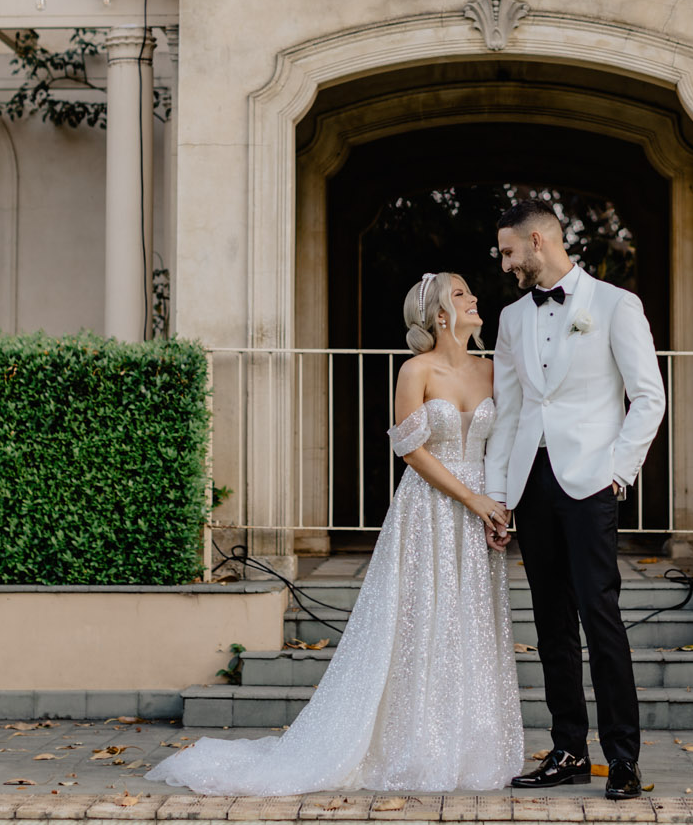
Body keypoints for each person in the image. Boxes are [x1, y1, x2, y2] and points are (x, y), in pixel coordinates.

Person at [149, 272, 523, 795]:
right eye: (461, 294)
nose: (474, 298)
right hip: (430, 509)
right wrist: (470, 498)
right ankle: (414, 746)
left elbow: (505, 444)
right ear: (441, 315)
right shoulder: (415, 370)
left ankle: (469, 749)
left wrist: (499, 507)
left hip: (482, 506)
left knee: (471, 623)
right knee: (420, 621)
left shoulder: (493, 370)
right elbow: (411, 451)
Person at [484, 198, 666, 801]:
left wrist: (617, 472)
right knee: (551, 624)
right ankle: (567, 750)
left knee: (600, 617)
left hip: (591, 483)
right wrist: (499, 496)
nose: (504, 263)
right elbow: (510, 411)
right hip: (531, 485)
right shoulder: (512, 318)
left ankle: (623, 758)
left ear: (537, 241)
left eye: (509, 251)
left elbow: (649, 396)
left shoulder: (615, 305)